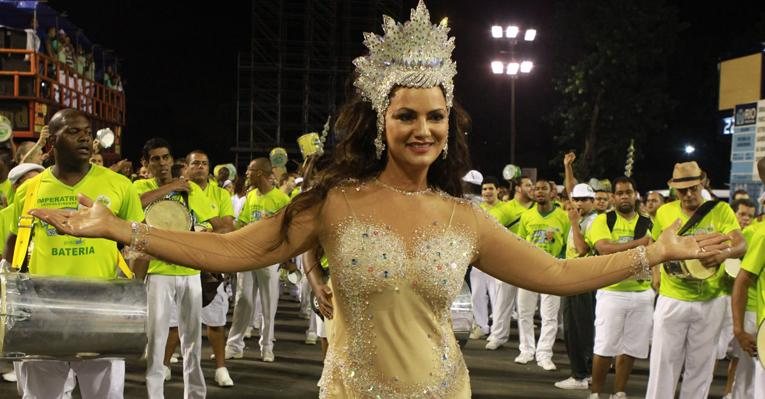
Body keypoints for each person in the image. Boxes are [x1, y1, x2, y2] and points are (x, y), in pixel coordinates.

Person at [32, 3, 729, 397]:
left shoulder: (464, 215)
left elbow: (556, 274)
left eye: (434, 117)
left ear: (447, 124)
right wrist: (123, 227)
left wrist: (654, 250)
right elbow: (238, 248)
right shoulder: (333, 200)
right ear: (379, 120)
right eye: (406, 116)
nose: (421, 129)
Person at [4, 108, 144, 398]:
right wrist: (11, 283)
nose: (84, 138)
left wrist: (132, 295)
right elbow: (14, 241)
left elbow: (139, 242)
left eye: (87, 132)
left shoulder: (120, 185)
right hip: (44, 312)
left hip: (103, 312)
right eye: (73, 131)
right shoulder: (29, 190)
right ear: (51, 143)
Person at [646, 161, 746, 399]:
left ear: (703, 181)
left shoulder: (720, 210)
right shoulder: (664, 212)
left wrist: (724, 254)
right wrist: (656, 273)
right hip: (672, 298)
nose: (689, 194)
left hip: (711, 300)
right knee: (663, 364)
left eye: (694, 187)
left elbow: (741, 243)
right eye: (683, 190)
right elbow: (654, 245)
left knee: (701, 366)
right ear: (673, 189)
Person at [134, 138, 220, 399]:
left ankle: (195, 393)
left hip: (189, 270)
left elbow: (210, 222)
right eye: (155, 159)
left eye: (165, 157)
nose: (161, 163)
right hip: (158, 272)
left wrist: (203, 230)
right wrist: (172, 186)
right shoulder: (141, 185)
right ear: (146, 164)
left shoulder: (191, 189)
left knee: (192, 341)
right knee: (157, 340)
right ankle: (155, 394)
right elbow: (136, 203)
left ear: (172, 160)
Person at [587, 176, 654, 399]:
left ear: (635, 195)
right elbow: (604, 248)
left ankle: (619, 392)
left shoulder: (649, 222)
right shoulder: (603, 220)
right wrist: (640, 244)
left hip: (642, 293)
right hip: (611, 292)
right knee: (605, 347)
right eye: (620, 193)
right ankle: (596, 393)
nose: (625, 196)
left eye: (629, 192)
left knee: (630, 349)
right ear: (614, 197)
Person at [225, 158, 291, 363]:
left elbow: (289, 231)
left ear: (261, 173)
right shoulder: (250, 196)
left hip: (269, 258)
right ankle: (234, 346)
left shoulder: (281, 199)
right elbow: (242, 223)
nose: (246, 173)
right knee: (243, 300)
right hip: (247, 256)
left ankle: (266, 347)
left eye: (250, 170)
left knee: (268, 303)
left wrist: (285, 257)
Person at [515, 178, 570, 371]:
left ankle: (545, 354)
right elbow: (519, 244)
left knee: (549, 316)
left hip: (552, 272)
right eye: (536, 189)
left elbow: (566, 245)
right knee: (524, 313)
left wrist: (559, 264)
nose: (539, 192)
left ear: (552, 192)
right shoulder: (527, 216)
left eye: (543, 189)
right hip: (529, 271)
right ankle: (526, 350)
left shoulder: (563, 216)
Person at [554, 182, 597, 390]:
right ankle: (585, 374)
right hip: (576, 275)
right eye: (576, 199)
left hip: (583, 278)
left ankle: (581, 375)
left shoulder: (592, 221)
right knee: (577, 328)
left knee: (577, 329)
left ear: (593, 201)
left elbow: (581, 249)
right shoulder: (584, 218)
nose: (579, 203)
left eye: (584, 200)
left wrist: (573, 223)